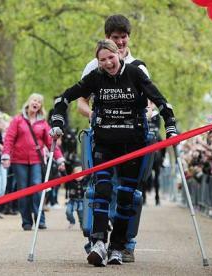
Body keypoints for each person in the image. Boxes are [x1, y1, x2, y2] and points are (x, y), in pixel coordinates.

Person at [50, 39, 177, 266]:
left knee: (126, 196)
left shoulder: (135, 73)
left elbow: (161, 101)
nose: (108, 63)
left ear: (119, 53)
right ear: (97, 62)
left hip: (132, 143)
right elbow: (64, 98)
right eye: (102, 60)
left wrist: (170, 128)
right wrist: (57, 120)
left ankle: (117, 246)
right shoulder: (95, 77)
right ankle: (98, 242)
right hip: (104, 142)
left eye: (111, 57)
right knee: (103, 189)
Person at [77, 13, 151, 263]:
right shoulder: (93, 65)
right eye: (115, 38)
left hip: (132, 137)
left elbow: (150, 99)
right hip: (103, 137)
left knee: (131, 191)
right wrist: (95, 115)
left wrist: (146, 114)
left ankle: (125, 243)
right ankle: (96, 240)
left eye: (123, 38)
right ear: (107, 38)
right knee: (99, 187)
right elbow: (81, 102)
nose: (120, 42)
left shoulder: (138, 66)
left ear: (129, 37)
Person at [1, 93, 65, 231]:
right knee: (23, 191)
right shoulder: (17, 120)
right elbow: (9, 138)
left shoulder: (43, 123)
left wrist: (59, 159)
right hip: (19, 160)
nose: (36, 103)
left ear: (40, 106)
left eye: (39, 102)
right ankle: (26, 222)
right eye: (34, 100)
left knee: (37, 188)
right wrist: (6, 155)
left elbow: (50, 142)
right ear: (28, 102)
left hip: (36, 160)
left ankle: (40, 220)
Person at [65, 164, 88, 229]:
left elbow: (89, 176)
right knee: (68, 211)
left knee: (81, 213)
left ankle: (82, 224)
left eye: (80, 174)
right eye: (76, 174)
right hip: (72, 200)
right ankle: (72, 221)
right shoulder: (70, 181)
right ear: (73, 175)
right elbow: (65, 175)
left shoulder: (85, 181)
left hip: (82, 200)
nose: (78, 176)